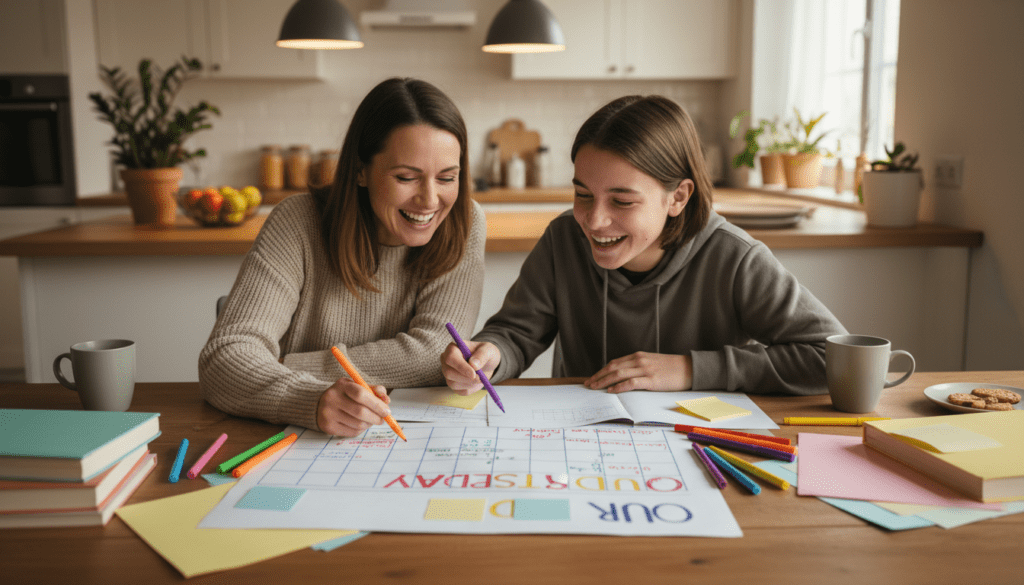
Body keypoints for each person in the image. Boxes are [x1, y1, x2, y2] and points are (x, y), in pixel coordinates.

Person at [441, 95, 847, 397]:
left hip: (701, 445)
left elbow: (834, 359)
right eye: (583, 194)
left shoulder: (735, 257)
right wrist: (490, 354)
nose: (594, 220)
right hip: (585, 440)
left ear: (678, 197)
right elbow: (516, 332)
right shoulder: (563, 239)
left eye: (622, 201)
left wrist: (690, 370)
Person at [200, 77, 486, 437]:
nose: (429, 200)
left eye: (447, 177)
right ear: (361, 171)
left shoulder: (465, 221)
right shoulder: (298, 221)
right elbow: (223, 358)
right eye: (406, 177)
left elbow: (434, 353)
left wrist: (289, 366)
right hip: (286, 439)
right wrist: (311, 399)